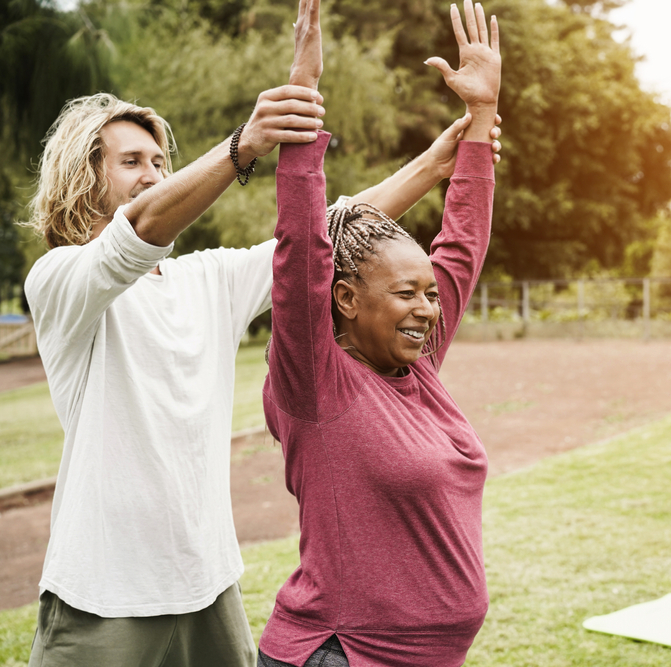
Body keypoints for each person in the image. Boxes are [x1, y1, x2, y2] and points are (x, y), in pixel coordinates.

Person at [22, 14, 499, 665]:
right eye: (132, 161)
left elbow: (327, 231)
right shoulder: (61, 282)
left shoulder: (206, 278)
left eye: (161, 159)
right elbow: (135, 232)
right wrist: (247, 144)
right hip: (106, 593)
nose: (155, 172)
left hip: (209, 584)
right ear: (83, 177)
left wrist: (438, 163)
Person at [256, 1, 501, 665]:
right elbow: (299, 252)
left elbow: (462, 246)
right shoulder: (315, 385)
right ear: (345, 299)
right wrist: (302, 102)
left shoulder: (415, 366)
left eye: (427, 294)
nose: (427, 308)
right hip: (341, 654)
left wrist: (480, 119)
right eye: (405, 294)